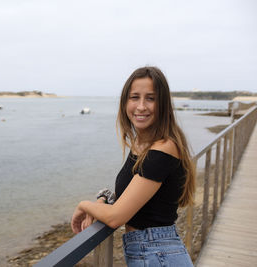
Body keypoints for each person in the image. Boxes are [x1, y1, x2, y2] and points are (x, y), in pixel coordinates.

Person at [71, 66, 195, 266]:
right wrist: (103, 200)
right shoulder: (142, 144)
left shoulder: (163, 149)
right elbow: (133, 199)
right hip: (152, 252)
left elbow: (115, 218)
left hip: (157, 255)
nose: (141, 106)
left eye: (151, 98)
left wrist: (84, 205)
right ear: (125, 102)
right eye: (134, 97)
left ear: (163, 104)